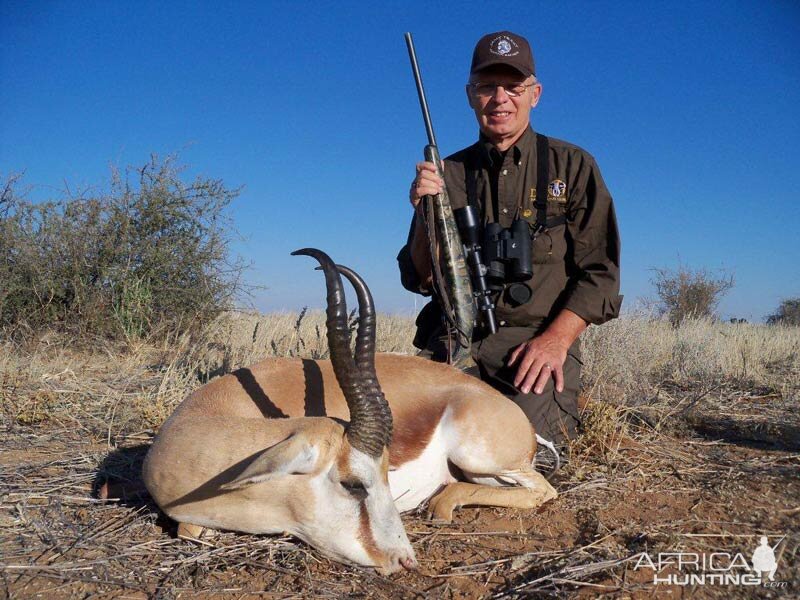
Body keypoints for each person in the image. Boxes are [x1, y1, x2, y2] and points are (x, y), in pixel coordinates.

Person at [397, 31, 622, 445]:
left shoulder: (572, 166)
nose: (500, 98)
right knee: (400, 437)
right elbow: (420, 279)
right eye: (487, 86)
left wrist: (555, 342)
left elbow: (601, 274)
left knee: (521, 449)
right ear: (470, 95)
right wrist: (425, 214)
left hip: (536, 340)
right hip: (457, 338)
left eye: (513, 87)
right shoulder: (446, 174)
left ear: (534, 94)